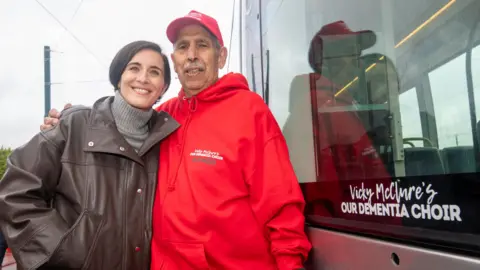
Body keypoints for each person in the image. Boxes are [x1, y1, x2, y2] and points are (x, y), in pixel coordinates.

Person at [42, 10, 311, 270]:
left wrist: (291, 263)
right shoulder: (162, 117)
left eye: (202, 45)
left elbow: (280, 201)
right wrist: (68, 124)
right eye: (183, 47)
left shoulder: (250, 111)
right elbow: (118, 123)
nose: (192, 55)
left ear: (221, 56)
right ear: (175, 60)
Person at [0, 40, 179, 269]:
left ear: (163, 87)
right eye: (134, 68)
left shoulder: (165, 141)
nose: (143, 78)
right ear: (118, 75)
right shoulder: (74, 125)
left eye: (154, 72)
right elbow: (14, 193)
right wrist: (61, 251)